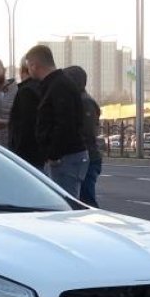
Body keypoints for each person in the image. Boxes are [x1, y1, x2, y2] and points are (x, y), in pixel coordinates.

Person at [23, 44, 87, 197]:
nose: (28, 71)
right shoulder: (57, 83)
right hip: (64, 156)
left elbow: (64, 123)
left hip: (65, 157)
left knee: (65, 204)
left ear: (34, 65)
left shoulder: (59, 85)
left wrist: (54, 154)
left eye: (28, 67)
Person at [62, 65, 102, 207]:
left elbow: (87, 133)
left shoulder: (85, 102)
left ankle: (93, 226)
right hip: (82, 157)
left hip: (88, 158)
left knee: (86, 200)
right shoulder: (77, 100)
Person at [7, 60, 44, 170]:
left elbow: (25, 125)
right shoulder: (45, 87)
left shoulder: (26, 91)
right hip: (41, 154)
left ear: (22, 70)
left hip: (27, 157)